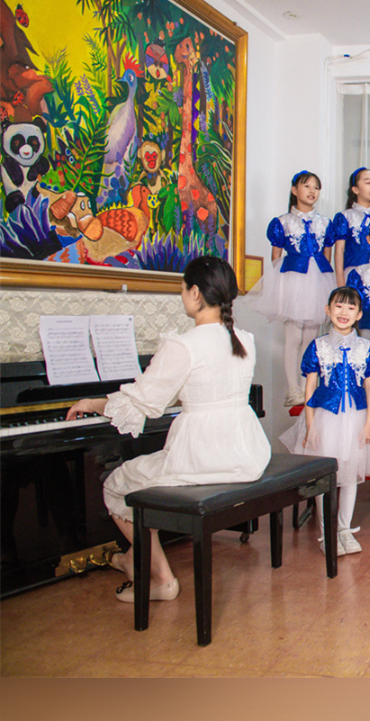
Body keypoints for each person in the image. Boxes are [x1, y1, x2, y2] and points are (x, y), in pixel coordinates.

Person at [66, 256, 270, 602]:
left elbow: (143, 401)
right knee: (145, 480)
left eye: (182, 289)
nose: (182, 295)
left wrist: (92, 403)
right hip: (246, 451)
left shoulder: (184, 345)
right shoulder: (244, 339)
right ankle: (133, 559)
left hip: (204, 455)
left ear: (195, 293)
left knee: (117, 484)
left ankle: (161, 579)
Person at [279, 287, 370, 554]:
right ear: (328, 310)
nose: (343, 312)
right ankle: (327, 533)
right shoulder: (318, 345)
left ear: (359, 315)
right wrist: (310, 424)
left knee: (350, 475)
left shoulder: (366, 347)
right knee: (327, 477)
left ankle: (345, 529)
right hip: (326, 417)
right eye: (338, 306)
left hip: (356, 416)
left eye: (350, 308)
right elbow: (310, 387)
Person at [247, 170, 335, 406]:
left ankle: (308, 386)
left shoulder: (325, 223)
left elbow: (327, 256)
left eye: (316, 187)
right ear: (295, 190)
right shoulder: (283, 222)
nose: (312, 191)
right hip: (293, 279)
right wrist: (278, 288)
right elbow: (275, 258)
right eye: (307, 186)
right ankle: (292, 389)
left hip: (319, 280)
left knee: (311, 337)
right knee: (293, 336)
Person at [331, 166, 370, 286]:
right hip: (353, 273)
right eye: (368, 182)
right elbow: (339, 251)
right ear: (355, 189)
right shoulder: (345, 216)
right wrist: (340, 282)